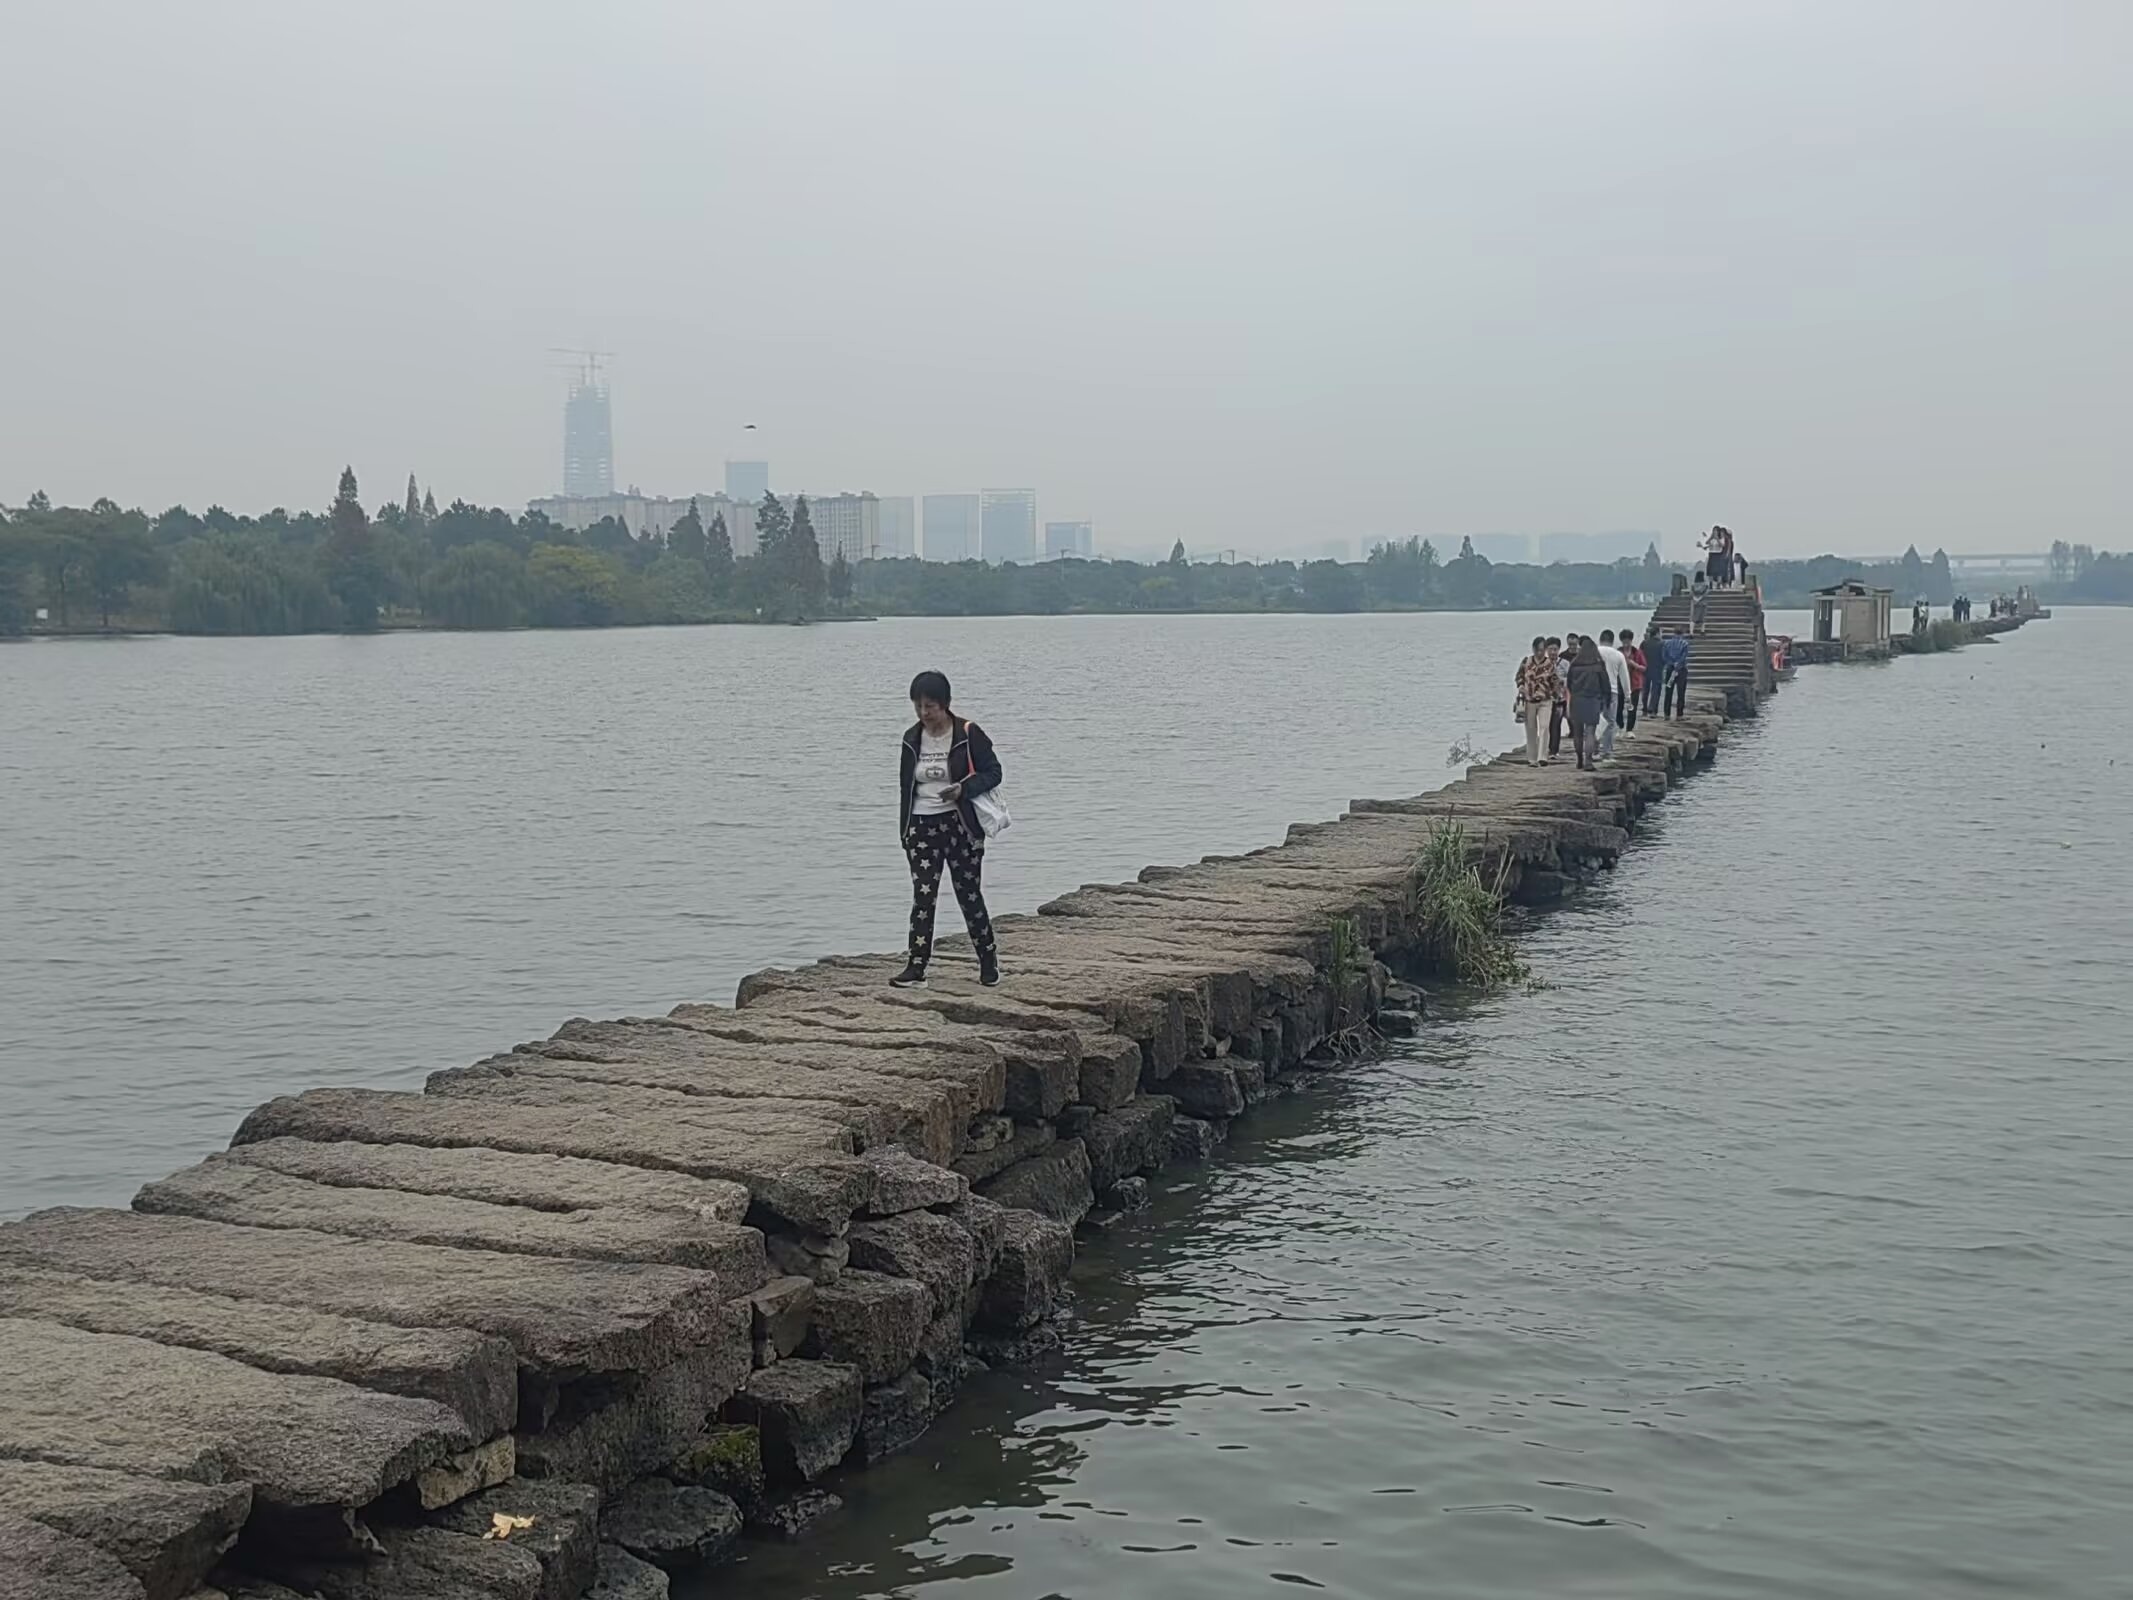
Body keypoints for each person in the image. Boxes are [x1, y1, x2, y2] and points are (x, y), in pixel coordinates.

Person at [894, 670, 1003, 988]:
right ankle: (916, 967)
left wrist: (963, 789)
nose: (924, 713)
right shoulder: (911, 738)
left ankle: (988, 962)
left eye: (930, 706)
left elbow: (994, 772)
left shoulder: (968, 733)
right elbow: (905, 787)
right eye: (918, 706)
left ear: (945, 704)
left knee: (968, 894)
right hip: (921, 825)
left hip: (960, 825)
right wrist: (905, 831)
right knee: (923, 896)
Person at [1565, 637, 1610, 771]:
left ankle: (1579, 759)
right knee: (1590, 732)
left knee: (1578, 733)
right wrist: (1606, 701)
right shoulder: (1598, 665)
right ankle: (1588, 761)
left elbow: (1569, 684)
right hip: (1592, 700)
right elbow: (1605, 685)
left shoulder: (1574, 665)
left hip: (1577, 700)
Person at [1516, 635, 1557, 767]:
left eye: (1542, 650)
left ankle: (1542, 757)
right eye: (1537, 650)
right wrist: (1521, 686)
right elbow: (1519, 676)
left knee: (1544, 727)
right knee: (1531, 730)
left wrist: (1554, 693)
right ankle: (1532, 759)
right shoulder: (1526, 661)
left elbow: (1555, 681)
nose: (1540, 653)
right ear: (1533, 649)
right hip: (1529, 700)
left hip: (1545, 700)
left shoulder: (1549, 664)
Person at [1596, 629, 1631, 759]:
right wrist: (1628, 695)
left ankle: (1593, 750)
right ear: (1612, 641)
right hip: (1612, 691)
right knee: (1610, 722)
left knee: (1595, 721)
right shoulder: (1618, 655)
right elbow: (1624, 677)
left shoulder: (1594, 652)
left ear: (1600, 639)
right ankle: (1607, 751)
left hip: (1595, 690)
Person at [1619, 621, 1645, 733]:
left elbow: (1644, 667)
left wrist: (1634, 664)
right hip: (1620, 684)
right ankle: (1620, 726)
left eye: (1628, 641)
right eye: (1624, 642)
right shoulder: (1618, 652)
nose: (1626, 644)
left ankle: (1629, 730)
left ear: (1631, 640)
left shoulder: (1637, 652)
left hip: (1634, 684)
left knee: (1632, 708)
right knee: (1618, 707)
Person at [1547, 635, 1569, 758]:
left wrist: (1562, 681)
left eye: (1555, 649)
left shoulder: (1564, 664)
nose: (1553, 652)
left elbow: (1571, 680)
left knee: (1556, 724)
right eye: (1550, 649)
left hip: (1560, 699)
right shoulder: (1543, 664)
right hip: (1546, 699)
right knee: (1546, 725)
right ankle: (1546, 747)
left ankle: (1554, 750)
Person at [1661, 627, 1691, 717]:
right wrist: (1677, 664)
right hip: (1681, 670)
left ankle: (1667, 713)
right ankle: (1679, 714)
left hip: (1670, 669)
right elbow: (1684, 656)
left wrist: (1671, 663)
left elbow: (1664, 656)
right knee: (1681, 692)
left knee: (1668, 691)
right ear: (1682, 634)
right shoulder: (1685, 644)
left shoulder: (1667, 643)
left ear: (1673, 633)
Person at [1640, 623, 1667, 715]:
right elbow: (1664, 657)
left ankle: (1644, 708)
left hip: (1645, 669)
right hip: (1657, 669)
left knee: (1645, 690)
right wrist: (1663, 665)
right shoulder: (1662, 643)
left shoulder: (1644, 643)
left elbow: (1640, 655)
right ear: (1657, 633)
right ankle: (1653, 709)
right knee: (1656, 690)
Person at [1690, 569, 1710, 635]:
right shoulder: (1705, 585)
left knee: (1693, 618)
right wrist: (1700, 598)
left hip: (1695, 603)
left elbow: (1691, 593)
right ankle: (1702, 631)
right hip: (1703, 603)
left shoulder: (1693, 585)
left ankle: (1691, 632)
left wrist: (1695, 598)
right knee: (1703, 617)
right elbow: (1706, 593)